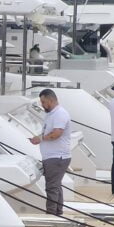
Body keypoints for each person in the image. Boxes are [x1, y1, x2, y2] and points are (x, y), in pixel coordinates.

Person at [27, 88, 71, 216]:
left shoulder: (60, 114)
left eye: (43, 102)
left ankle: (51, 213)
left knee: (52, 187)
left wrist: (40, 138)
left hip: (57, 157)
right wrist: (38, 138)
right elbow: (49, 133)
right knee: (56, 186)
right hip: (53, 156)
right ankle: (58, 213)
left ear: (51, 100)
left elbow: (57, 133)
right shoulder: (52, 114)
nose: (42, 105)